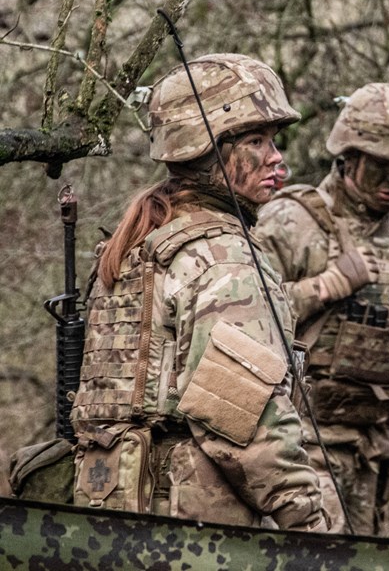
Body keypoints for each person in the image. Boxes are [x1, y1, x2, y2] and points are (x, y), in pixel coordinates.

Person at [69, 53, 328, 532]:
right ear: (208, 151)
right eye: (256, 141)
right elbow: (242, 423)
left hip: (109, 512)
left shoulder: (138, 243)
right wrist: (311, 522)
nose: (277, 159)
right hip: (195, 530)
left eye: (275, 142)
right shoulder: (223, 258)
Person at [255, 83, 389, 534]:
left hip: (376, 455)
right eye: (382, 169)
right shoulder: (291, 223)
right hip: (297, 450)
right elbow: (237, 326)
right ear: (347, 158)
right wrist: (324, 287)